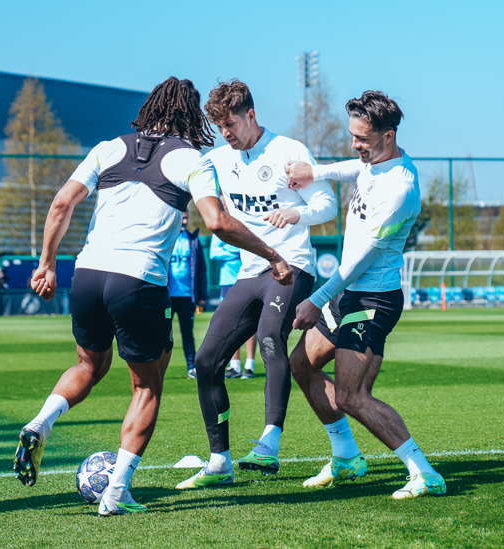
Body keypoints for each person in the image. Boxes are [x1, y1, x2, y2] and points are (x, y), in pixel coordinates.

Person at [12, 77, 293, 516]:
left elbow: (61, 203)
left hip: (87, 273)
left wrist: (46, 264)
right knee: (147, 384)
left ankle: (40, 422)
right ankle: (117, 492)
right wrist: (271, 253)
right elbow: (216, 221)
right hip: (137, 280)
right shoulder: (191, 159)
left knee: (89, 364)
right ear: (190, 116)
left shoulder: (108, 147)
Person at [176, 80, 337, 489]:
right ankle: (219, 461)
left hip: (292, 268)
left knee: (269, 337)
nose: (226, 133)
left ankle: (269, 445)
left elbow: (328, 204)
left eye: (231, 124)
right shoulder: (215, 159)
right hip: (250, 272)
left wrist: (296, 215)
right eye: (220, 127)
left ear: (251, 114)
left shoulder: (289, 150)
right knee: (208, 360)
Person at [287, 90, 446, 499]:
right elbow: (350, 169)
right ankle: (346, 457)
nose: (356, 145)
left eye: (363, 138)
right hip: (349, 293)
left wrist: (318, 298)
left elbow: (359, 260)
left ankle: (423, 472)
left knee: (351, 396)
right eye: (354, 136)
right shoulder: (371, 162)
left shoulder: (400, 188)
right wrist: (315, 171)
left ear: (388, 135)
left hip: (371, 300)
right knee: (301, 365)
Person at [209, 234, 257, 379]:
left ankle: (250, 365)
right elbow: (214, 253)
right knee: (231, 324)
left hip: (248, 278)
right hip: (227, 282)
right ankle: (235, 365)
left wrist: (229, 250)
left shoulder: (247, 225)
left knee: (251, 322)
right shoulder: (219, 230)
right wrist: (240, 250)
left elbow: (255, 250)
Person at [168, 211, 207, 378]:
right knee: (163, 333)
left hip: (187, 298)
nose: (184, 220)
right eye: (181, 217)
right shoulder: (165, 239)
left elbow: (201, 270)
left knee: (187, 333)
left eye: (186, 217)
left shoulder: (193, 241)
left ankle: (191, 367)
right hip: (166, 299)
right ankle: (158, 368)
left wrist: (202, 296)